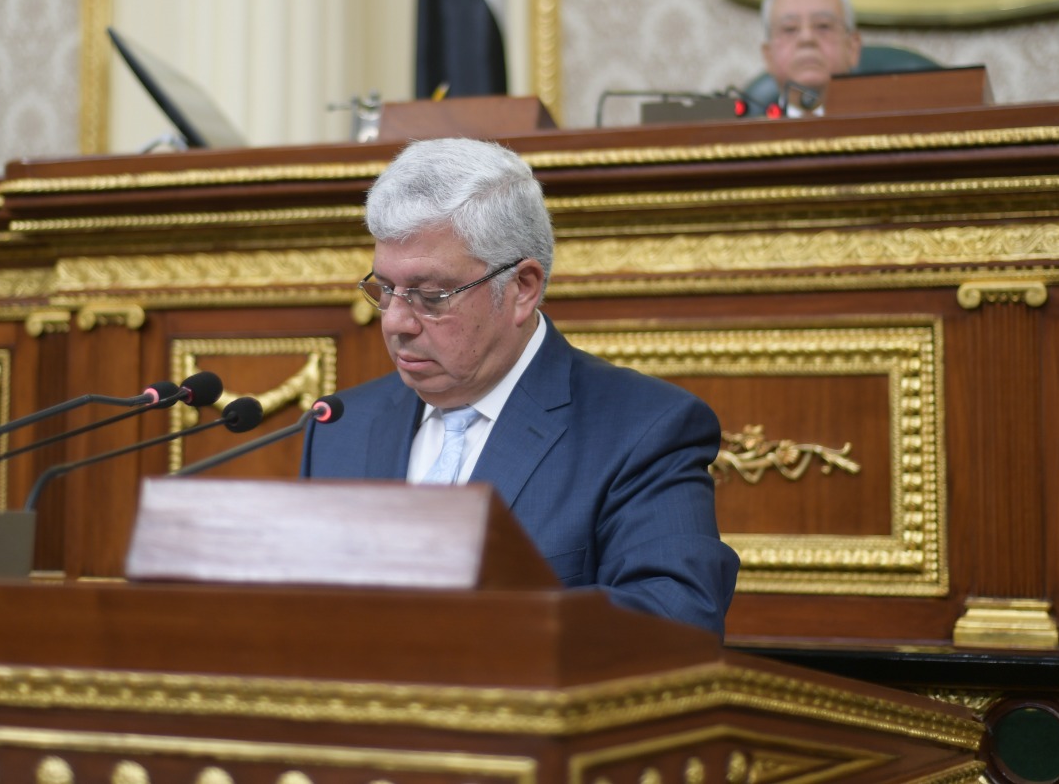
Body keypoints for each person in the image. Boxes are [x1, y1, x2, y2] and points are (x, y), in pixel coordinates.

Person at [301, 137, 739, 638]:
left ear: (522, 288)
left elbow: (676, 621)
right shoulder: (340, 427)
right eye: (385, 289)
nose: (396, 321)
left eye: (430, 296)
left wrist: (456, 633)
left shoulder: (642, 429)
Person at [741, 0, 862, 118]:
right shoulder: (740, 130)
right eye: (790, 29)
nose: (807, 38)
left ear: (852, 48)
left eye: (823, 26)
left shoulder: (883, 125)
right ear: (769, 56)